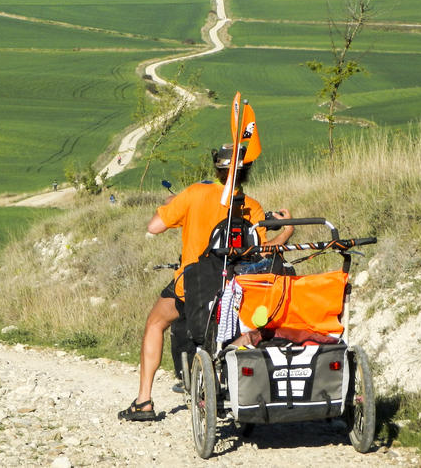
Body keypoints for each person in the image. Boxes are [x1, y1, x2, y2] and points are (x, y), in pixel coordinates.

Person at [118, 144, 294, 421]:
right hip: (238, 288)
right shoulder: (252, 206)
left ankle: (143, 401)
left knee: (155, 323)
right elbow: (263, 251)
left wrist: (170, 206)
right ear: (245, 173)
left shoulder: (194, 193)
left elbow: (154, 227)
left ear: (217, 168)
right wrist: (287, 232)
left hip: (195, 284)